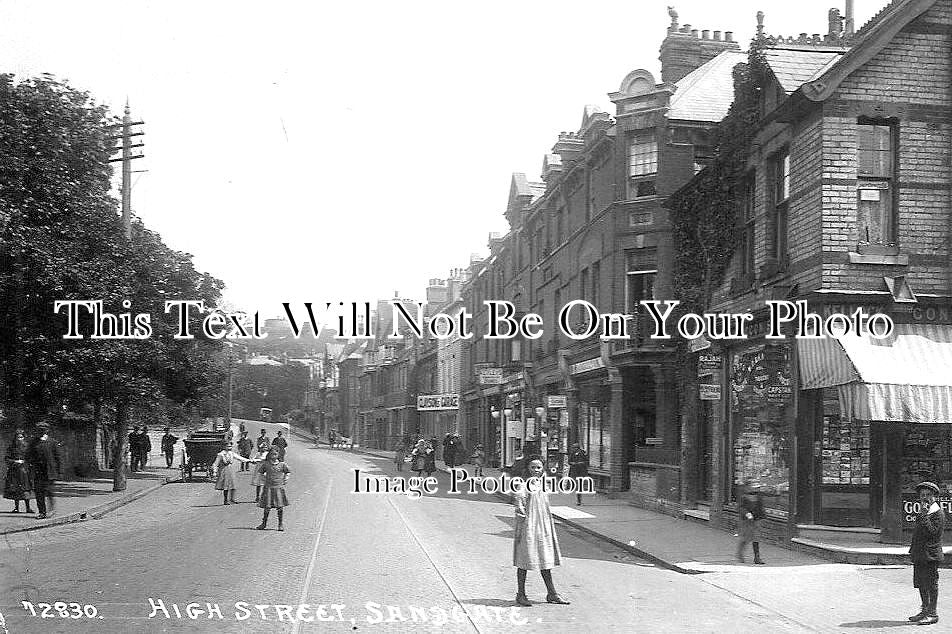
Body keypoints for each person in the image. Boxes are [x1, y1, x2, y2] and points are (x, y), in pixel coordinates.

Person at [513, 459, 569, 607]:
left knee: (545, 560)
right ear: (528, 469)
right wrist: (522, 528)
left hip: (543, 527)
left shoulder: (543, 485)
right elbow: (519, 508)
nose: (536, 470)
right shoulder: (523, 486)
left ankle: (552, 594)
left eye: (539, 467)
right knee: (524, 560)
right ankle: (521, 594)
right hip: (529, 527)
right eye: (533, 467)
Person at [909, 481, 945, 625]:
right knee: (921, 583)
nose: (925, 498)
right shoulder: (923, 512)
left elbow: (932, 532)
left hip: (930, 555)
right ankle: (924, 609)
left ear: (934, 497)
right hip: (920, 554)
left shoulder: (938, 514)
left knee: (931, 584)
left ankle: (932, 613)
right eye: (922, 495)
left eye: (928, 495)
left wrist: (924, 516)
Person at [29, 421, 63, 520]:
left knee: (49, 491)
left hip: (50, 472)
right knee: (39, 493)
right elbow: (28, 455)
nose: (41, 431)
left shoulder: (52, 442)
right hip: (38, 472)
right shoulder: (33, 442)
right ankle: (42, 512)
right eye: (39, 430)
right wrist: (31, 465)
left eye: (43, 430)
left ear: (47, 431)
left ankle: (51, 509)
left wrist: (60, 471)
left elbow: (58, 457)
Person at [255, 447, 291, 531]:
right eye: (272, 454)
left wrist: (286, 478)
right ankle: (264, 523)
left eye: (275, 454)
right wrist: (264, 479)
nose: (273, 456)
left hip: (278, 488)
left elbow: (288, 471)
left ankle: (280, 524)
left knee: (280, 506)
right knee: (267, 507)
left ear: (278, 454)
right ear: (269, 455)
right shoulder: (266, 464)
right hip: (268, 488)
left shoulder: (282, 464)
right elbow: (260, 473)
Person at [212, 440, 257, 504]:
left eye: (230, 446)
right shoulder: (221, 454)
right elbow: (215, 464)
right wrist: (215, 471)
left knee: (233, 484)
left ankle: (232, 499)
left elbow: (240, 458)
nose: (230, 447)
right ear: (224, 446)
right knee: (226, 486)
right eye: (228, 446)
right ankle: (226, 500)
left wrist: (250, 460)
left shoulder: (231, 453)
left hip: (231, 470)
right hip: (224, 470)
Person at [4, 429, 35, 513]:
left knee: (26, 488)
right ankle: (16, 507)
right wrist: (15, 461)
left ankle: (28, 508)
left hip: (24, 470)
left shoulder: (27, 447)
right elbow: (6, 458)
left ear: (24, 437)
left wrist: (27, 463)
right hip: (14, 471)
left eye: (21, 437)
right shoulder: (11, 447)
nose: (19, 439)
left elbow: (32, 458)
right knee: (15, 489)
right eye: (18, 437)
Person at [736, 485, 766, 565]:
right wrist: (747, 513)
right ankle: (740, 554)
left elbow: (761, 507)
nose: (756, 488)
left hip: (757, 519)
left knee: (756, 538)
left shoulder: (759, 496)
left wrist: (763, 516)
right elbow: (739, 508)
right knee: (746, 538)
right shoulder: (744, 496)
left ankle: (757, 558)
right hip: (747, 520)